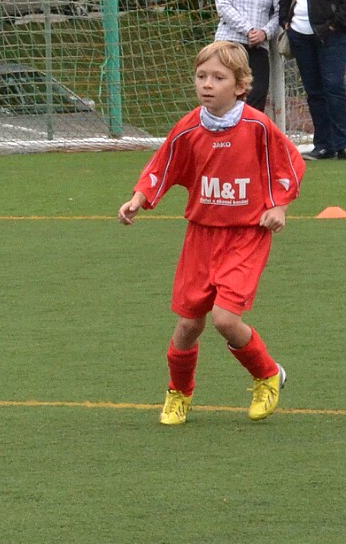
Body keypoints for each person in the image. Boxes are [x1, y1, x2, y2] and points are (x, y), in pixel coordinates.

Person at [121, 41, 301, 426]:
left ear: (240, 85)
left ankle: (267, 373)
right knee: (188, 324)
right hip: (201, 237)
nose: (207, 84)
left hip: (246, 235)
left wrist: (278, 206)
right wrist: (139, 198)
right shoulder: (189, 127)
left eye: (218, 78)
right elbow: (162, 165)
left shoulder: (257, 126)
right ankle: (179, 392)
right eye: (201, 76)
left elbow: (287, 165)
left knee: (225, 320)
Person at [278, 0, 338, 158]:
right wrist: (286, 22)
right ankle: (323, 144)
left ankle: (342, 141)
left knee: (335, 86)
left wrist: (335, 24)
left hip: (332, 36)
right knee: (314, 91)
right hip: (301, 36)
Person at [216, 0, 280, 113]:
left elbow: (277, 14)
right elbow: (223, 6)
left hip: (258, 47)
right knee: (226, 90)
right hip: (230, 44)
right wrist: (248, 30)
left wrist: (264, 33)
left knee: (257, 93)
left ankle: (250, 128)